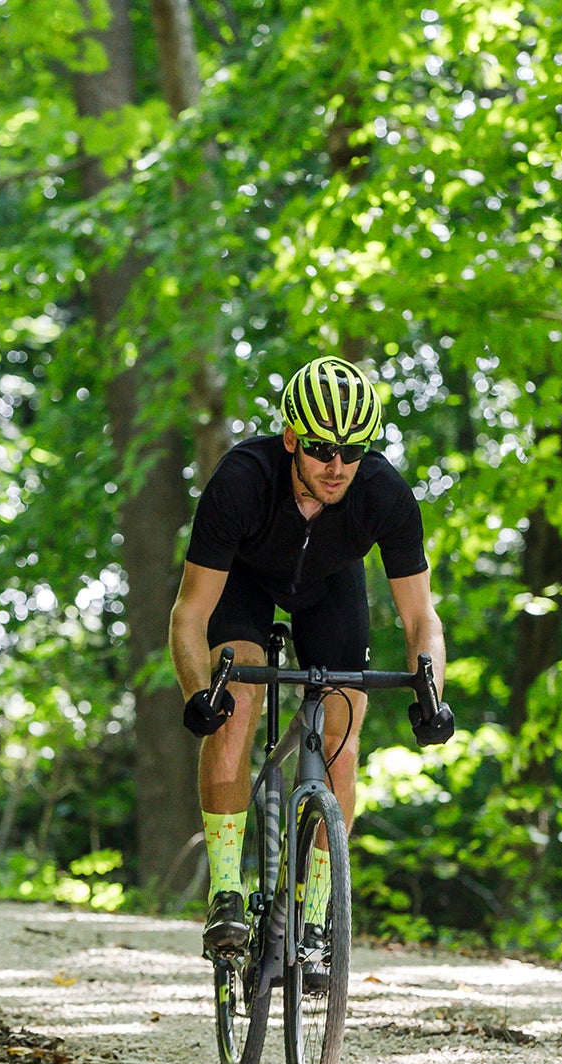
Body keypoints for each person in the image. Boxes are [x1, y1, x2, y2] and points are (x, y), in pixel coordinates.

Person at [170, 356, 455, 957]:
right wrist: (198, 692)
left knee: (343, 731)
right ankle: (225, 891)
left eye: (353, 452)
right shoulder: (242, 480)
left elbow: (421, 618)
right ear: (292, 438)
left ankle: (317, 914)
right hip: (243, 585)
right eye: (324, 448)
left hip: (329, 588)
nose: (337, 466)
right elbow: (190, 614)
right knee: (235, 702)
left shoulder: (383, 493)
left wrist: (433, 695)